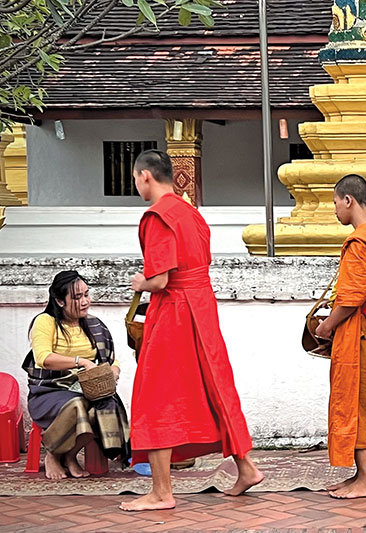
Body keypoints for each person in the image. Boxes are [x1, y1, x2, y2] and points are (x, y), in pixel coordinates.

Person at [121, 150, 263, 512]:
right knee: (215, 385)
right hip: (202, 306)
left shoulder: (157, 216)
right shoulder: (192, 214)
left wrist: (141, 281)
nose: (137, 184)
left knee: (154, 396)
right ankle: (246, 467)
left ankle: (161, 492)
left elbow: (161, 279)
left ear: (145, 177)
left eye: (136, 178)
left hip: (174, 311)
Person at [315, 174, 366, 499]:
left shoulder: (357, 242)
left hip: (359, 329)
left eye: (336, 203)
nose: (335, 210)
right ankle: (360, 473)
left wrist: (326, 326)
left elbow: (350, 298)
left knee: (357, 398)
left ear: (348, 200)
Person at [22, 270, 130, 480]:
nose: (85, 301)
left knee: (100, 410)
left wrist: (113, 370)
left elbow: (109, 359)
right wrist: (81, 362)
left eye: (86, 295)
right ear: (60, 301)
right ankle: (53, 454)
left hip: (87, 389)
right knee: (78, 404)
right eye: (77, 297)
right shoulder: (45, 322)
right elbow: (43, 357)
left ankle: (69, 455)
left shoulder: (94, 324)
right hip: (49, 391)